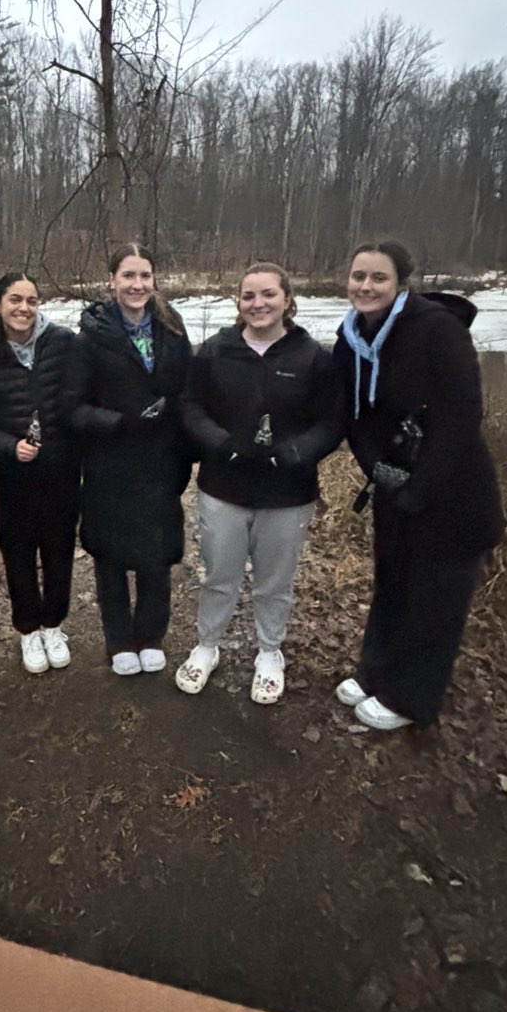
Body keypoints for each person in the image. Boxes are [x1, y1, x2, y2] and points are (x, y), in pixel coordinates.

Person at [332, 241, 504, 731]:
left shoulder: (437, 331)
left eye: (378, 278)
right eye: (358, 276)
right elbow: (354, 415)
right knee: (393, 584)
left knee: (435, 600)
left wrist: (422, 486)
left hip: (453, 492)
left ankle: (412, 700)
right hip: (394, 484)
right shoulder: (351, 337)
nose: (366, 286)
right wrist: (377, 469)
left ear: (401, 283)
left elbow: (462, 414)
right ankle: (376, 674)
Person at [176, 263, 341, 703]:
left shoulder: (312, 358)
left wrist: (297, 451)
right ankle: (207, 645)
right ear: (238, 303)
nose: (258, 304)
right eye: (248, 296)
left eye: (268, 294)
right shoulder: (214, 352)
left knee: (274, 581)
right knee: (219, 576)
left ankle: (269, 652)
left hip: (288, 494)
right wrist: (220, 442)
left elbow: (332, 421)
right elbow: (191, 408)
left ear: (287, 299)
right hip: (224, 488)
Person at [64, 244, 192, 675]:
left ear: (154, 281)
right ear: (111, 281)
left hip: (160, 460)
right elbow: (73, 407)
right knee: (111, 555)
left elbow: (186, 394)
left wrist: (185, 447)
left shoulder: (173, 330)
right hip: (109, 461)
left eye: (144, 276)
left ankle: (150, 634)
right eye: (128, 276)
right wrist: (119, 422)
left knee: (156, 552)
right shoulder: (91, 337)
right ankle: (118, 638)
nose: (137, 285)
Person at [0, 273, 80, 674]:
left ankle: (54, 624)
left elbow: (80, 396)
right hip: (14, 475)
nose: (24, 308)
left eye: (32, 301)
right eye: (15, 299)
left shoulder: (63, 342)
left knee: (59, 550)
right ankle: (28, 629)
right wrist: (8, 447)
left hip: (62, 471)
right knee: (18, 552)